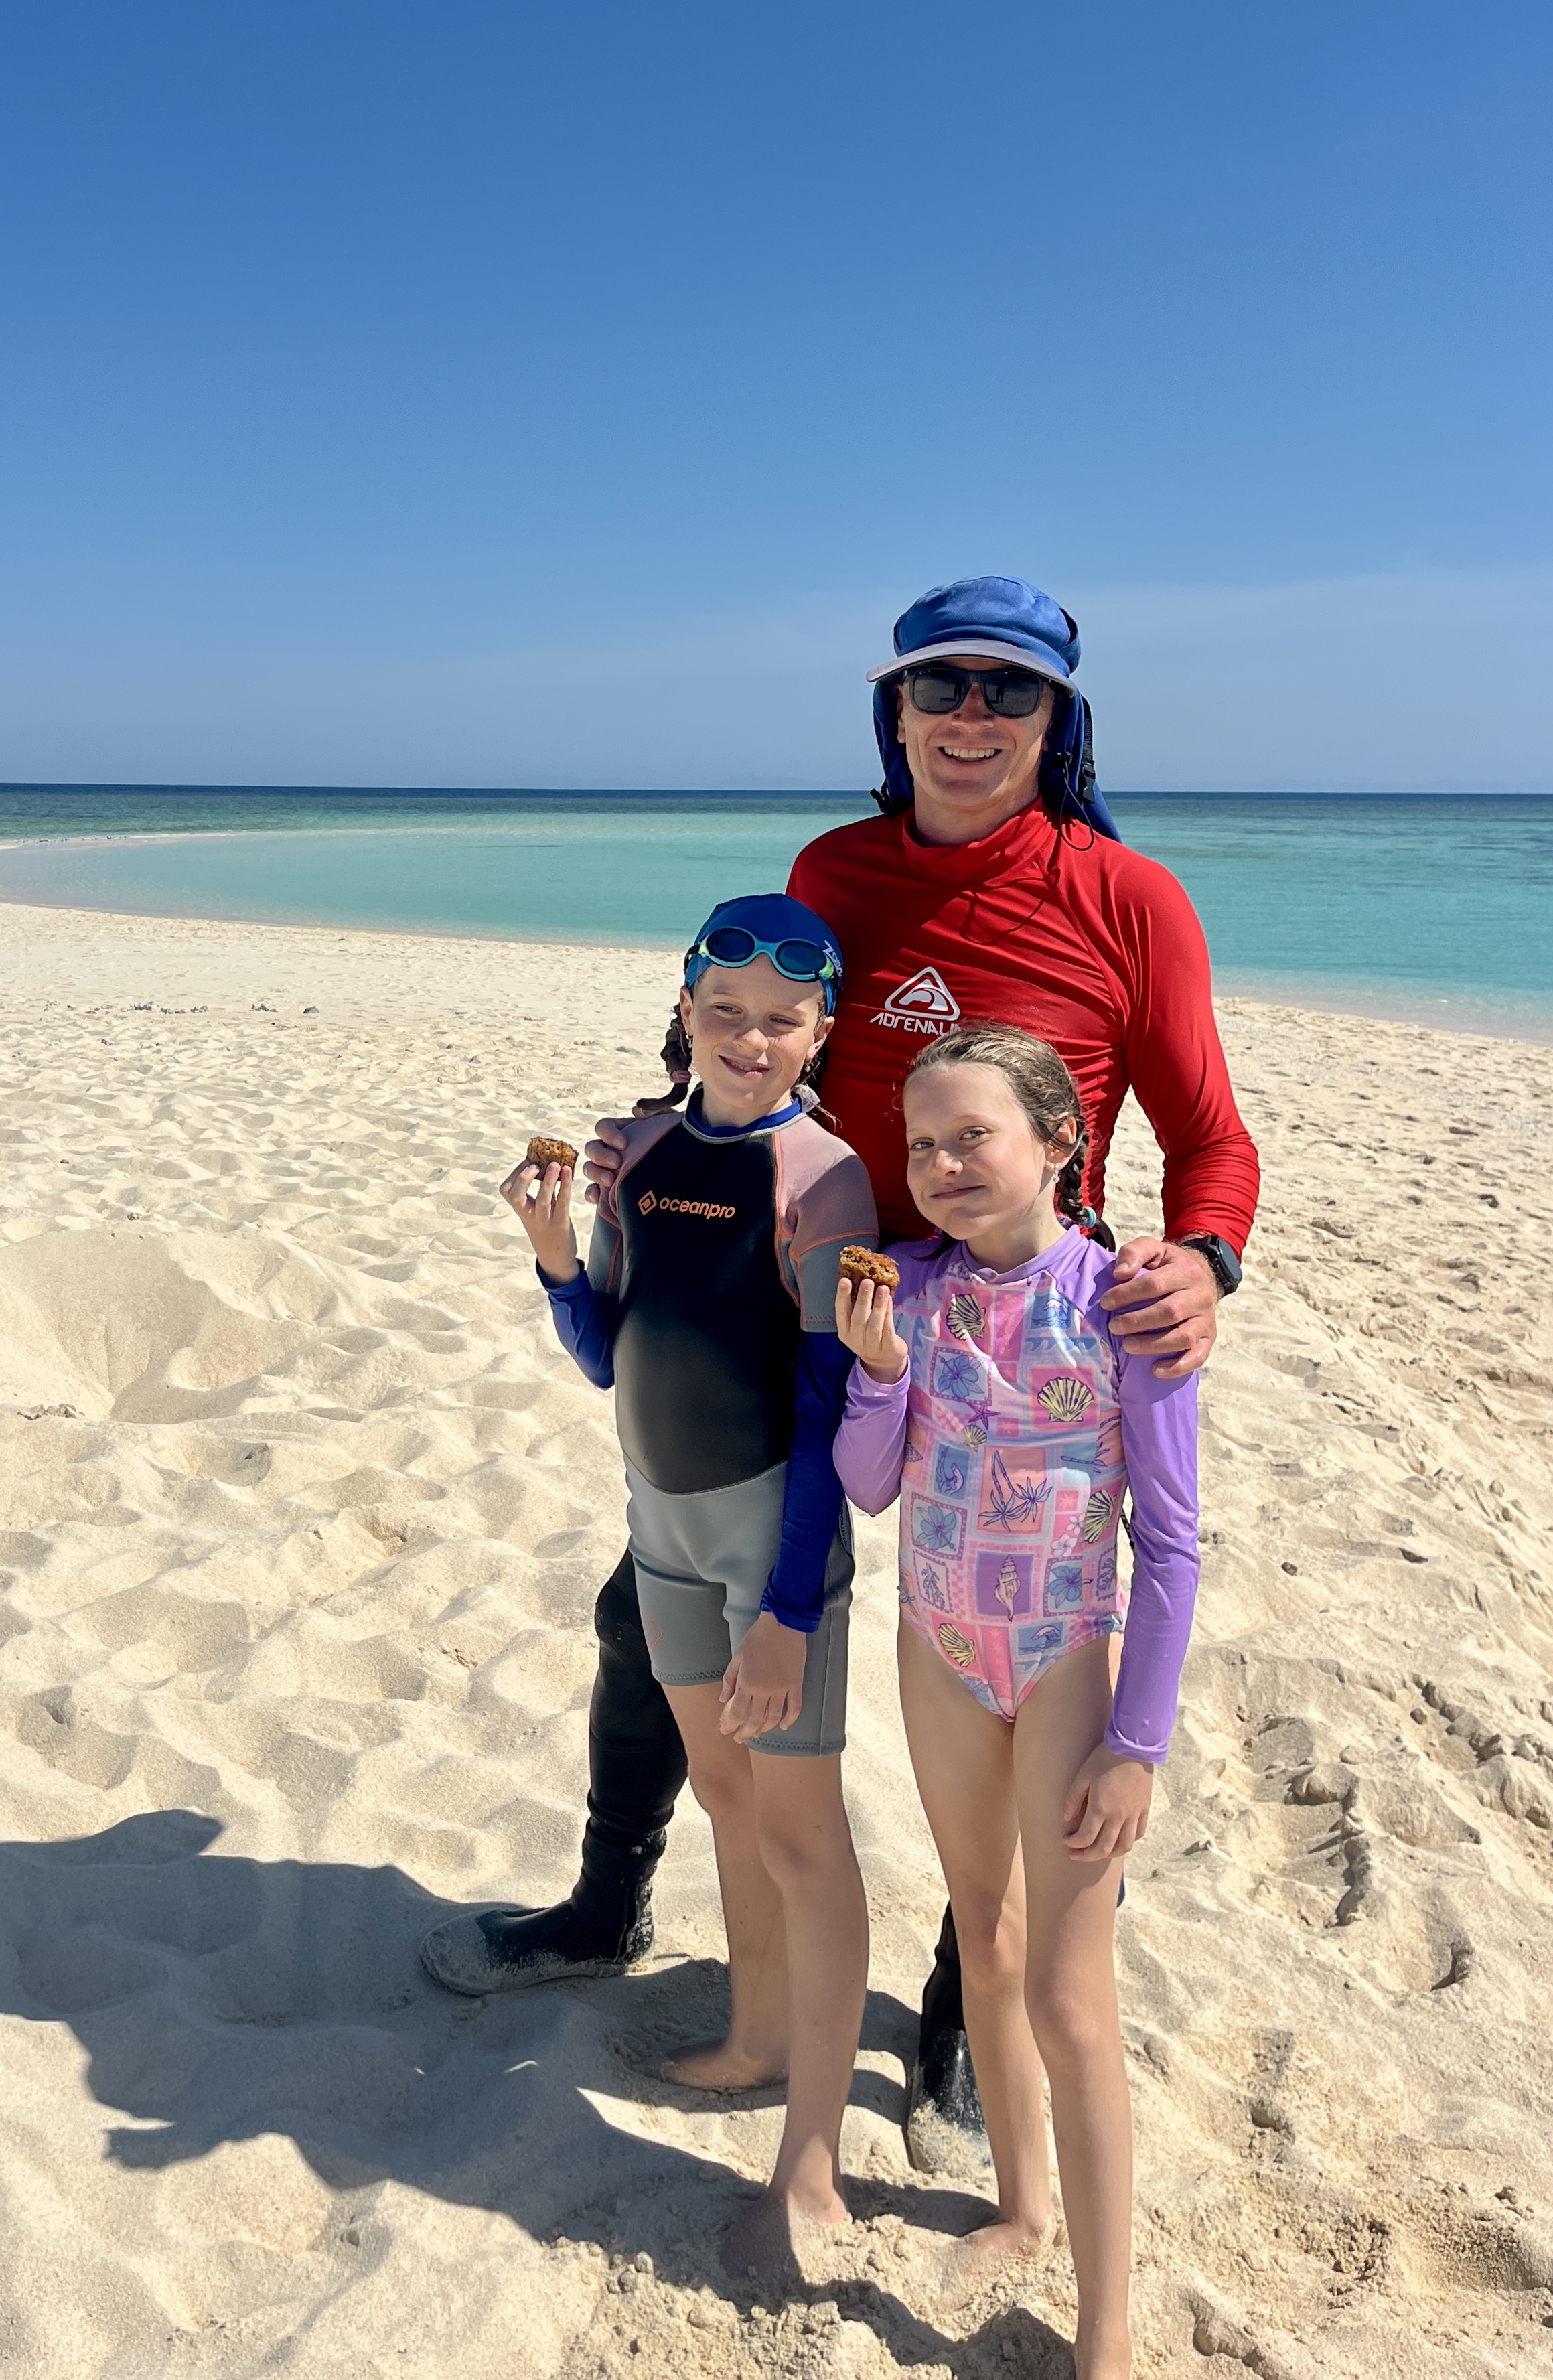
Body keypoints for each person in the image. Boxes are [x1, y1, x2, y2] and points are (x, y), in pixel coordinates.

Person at [419, 576, 1258, 2174]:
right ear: (892, 710)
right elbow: (761, 1031)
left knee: (1004, 1660)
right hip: (813, 1310)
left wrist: (1200, 1263)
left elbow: (1209, 1135)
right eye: (935, 685)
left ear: (1057, 721)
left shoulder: (1127, 898)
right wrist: (667, 1137)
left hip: (1013, 1348)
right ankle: (608, 1901)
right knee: (642, 1610)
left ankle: (959, 2000)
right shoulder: (836, 868)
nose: (967, 716)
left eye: (1006, 693)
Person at [482, 894, 881, 2261]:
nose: (752, 1039)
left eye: (782, 1019)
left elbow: (830, 1405)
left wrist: (785, 1607)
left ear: (820, 1028)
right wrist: (553, 1260)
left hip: (772, 1532)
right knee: (720, 1789)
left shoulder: (823, 1176)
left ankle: (804, 2115)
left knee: (800, 1827)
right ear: (685, 1012)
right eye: (727, 1015)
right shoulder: (638, 1149)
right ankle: (755, 2032)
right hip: (658, 1520)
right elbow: (607, 1353)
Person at [833, 1021, 1199, 2377]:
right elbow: (873, 1482)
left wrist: (1135, 1744)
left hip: (1058, 1658)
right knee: (980, 1941)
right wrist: (874, 1371)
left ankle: (1105, 2332)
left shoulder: (1125, 1303)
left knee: (1068, 1991)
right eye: (918, 1143)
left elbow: (1168, 1543)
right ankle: (1021, 2202)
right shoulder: (910, 1293)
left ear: (1059, 1142)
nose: (936, 1164)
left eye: (968, 1135)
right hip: (936, 1644)